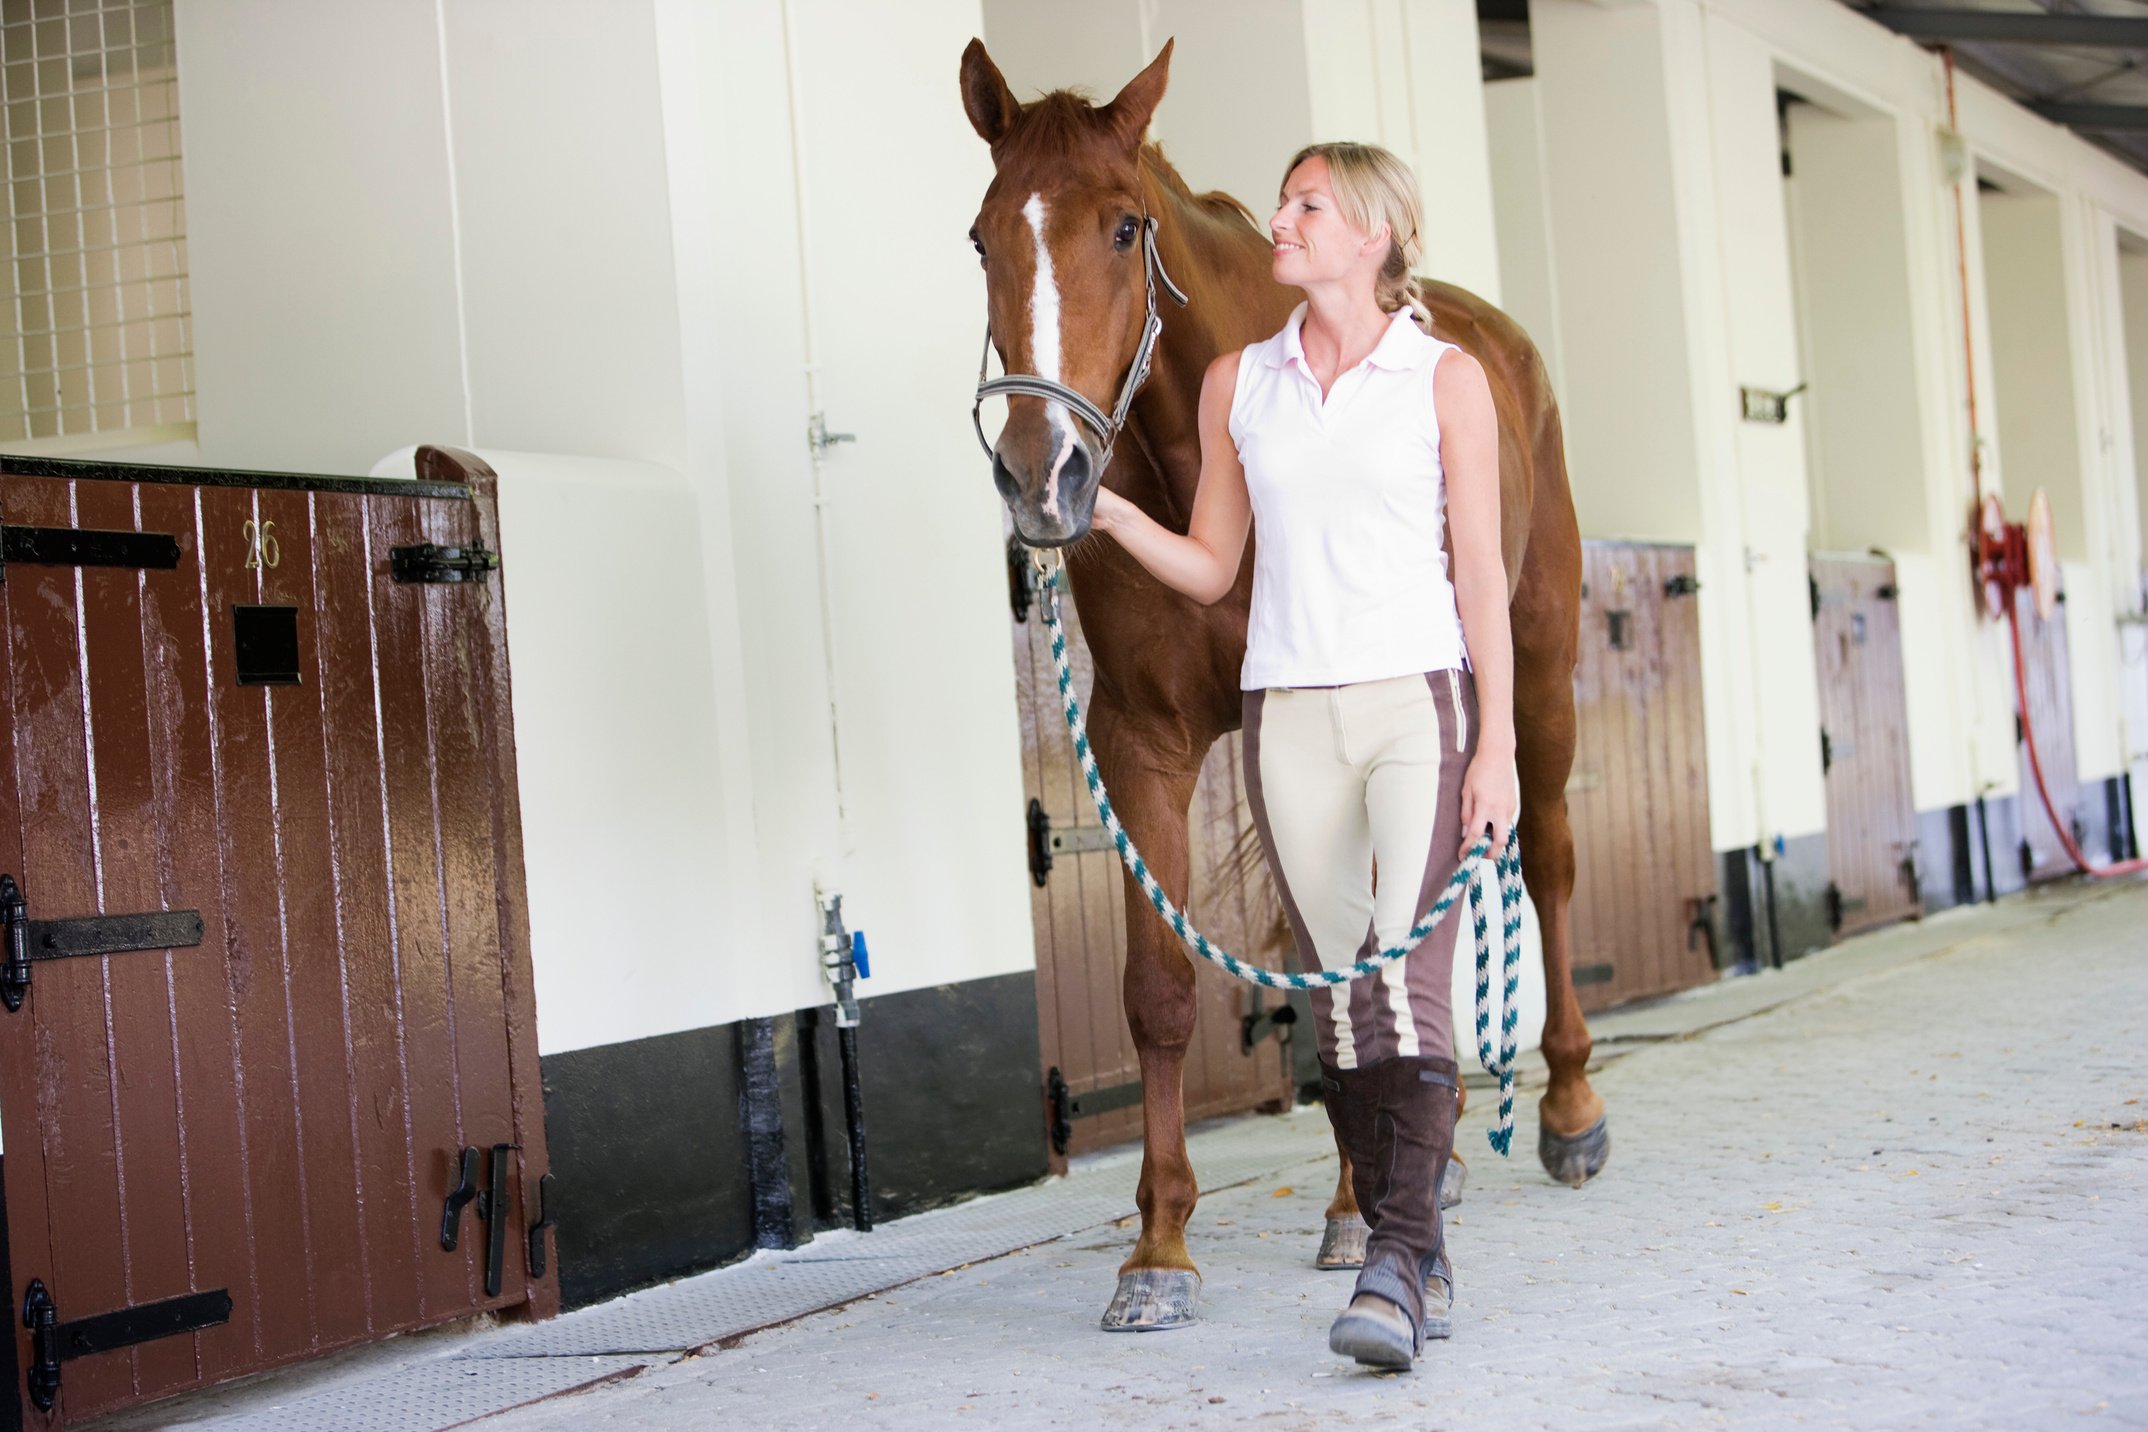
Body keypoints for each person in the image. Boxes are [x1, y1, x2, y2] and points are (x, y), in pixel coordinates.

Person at [1089, 141, 1517, 1370]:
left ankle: (1393, 1259)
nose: (1281, 217)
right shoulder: (1240, 381)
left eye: (1307, 203)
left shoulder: (1446, 379)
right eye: (1285, 199)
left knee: (1405, 982)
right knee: (1334, 999)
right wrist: (1107, 513)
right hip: (1289, 716)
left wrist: (1498, 750)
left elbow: (1481, 577)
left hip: (1413, 710)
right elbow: (1214, 566)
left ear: (1373, 235)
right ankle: (1417, 1245)